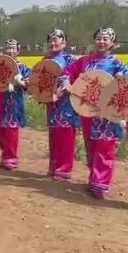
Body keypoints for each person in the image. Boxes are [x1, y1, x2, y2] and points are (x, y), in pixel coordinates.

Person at [62, 27, 128, 198]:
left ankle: (101, 184)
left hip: (107, 112)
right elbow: (67, 72)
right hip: (87, 110)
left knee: (105, 146)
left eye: (106, 39)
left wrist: (120, 79)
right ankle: (94, 179)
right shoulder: (85, 61)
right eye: (99, 38)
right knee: (91, 145)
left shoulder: (117, 63)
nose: (101, 42)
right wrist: (67, 84)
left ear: (112, 43)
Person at [43, 29, 80, 181]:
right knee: (54, 135)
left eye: (56, 41)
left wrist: (62, 91)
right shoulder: (45, 59)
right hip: (51, 102)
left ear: (64, 43)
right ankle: (54, 166)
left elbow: (76, 78)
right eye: (50, 41)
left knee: (65, 135)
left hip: (66, 103)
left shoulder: (71, 59)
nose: (53, 43)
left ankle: (64, 169)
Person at [0, 39, 31, 170]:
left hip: (14, 102)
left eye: (13, 48)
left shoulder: (23, 67)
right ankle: (5, 154)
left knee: (11, 129)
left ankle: (11, 157)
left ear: (18, 51)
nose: (10, 50)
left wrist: (20, 83)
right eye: (8, 48)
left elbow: (29, 86)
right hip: (0, 101)